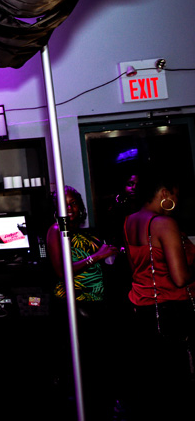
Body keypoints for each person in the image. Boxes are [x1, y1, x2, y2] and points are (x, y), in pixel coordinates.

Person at [122, 171, 195, 420]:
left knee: (154, 382)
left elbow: (135, 270)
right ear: (164, 193)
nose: (177, 201)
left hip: (142, 311)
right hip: (170, 311)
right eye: (176, 195)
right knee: (177, 384)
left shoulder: (130, 221)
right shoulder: (164, 223)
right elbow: (180, 278)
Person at [45, 185, 120, 420]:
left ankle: (100, 408)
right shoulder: (56, 230)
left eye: (74, 203)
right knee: (81, 364)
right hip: (73, 306)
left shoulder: (85, 233)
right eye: (64, 204)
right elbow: (62, 271)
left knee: (98, 364)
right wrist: (96, 257)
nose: (70, 208)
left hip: (96, 303)